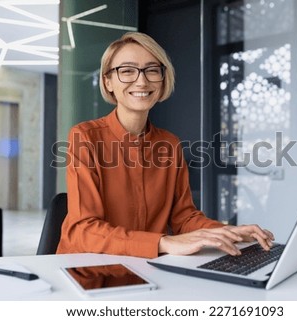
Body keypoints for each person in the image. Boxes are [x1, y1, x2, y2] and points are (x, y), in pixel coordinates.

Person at [56, 32, 274, 259]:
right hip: (89, 272)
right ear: (107, 81)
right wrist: (163, 242)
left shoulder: (169, 144)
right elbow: (84, 230)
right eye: (127, 71)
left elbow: (184, 218)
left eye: (151, 70)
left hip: (149, 272)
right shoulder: (85, 137)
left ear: (162, 79)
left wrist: (226, 232)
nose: (141, 81)